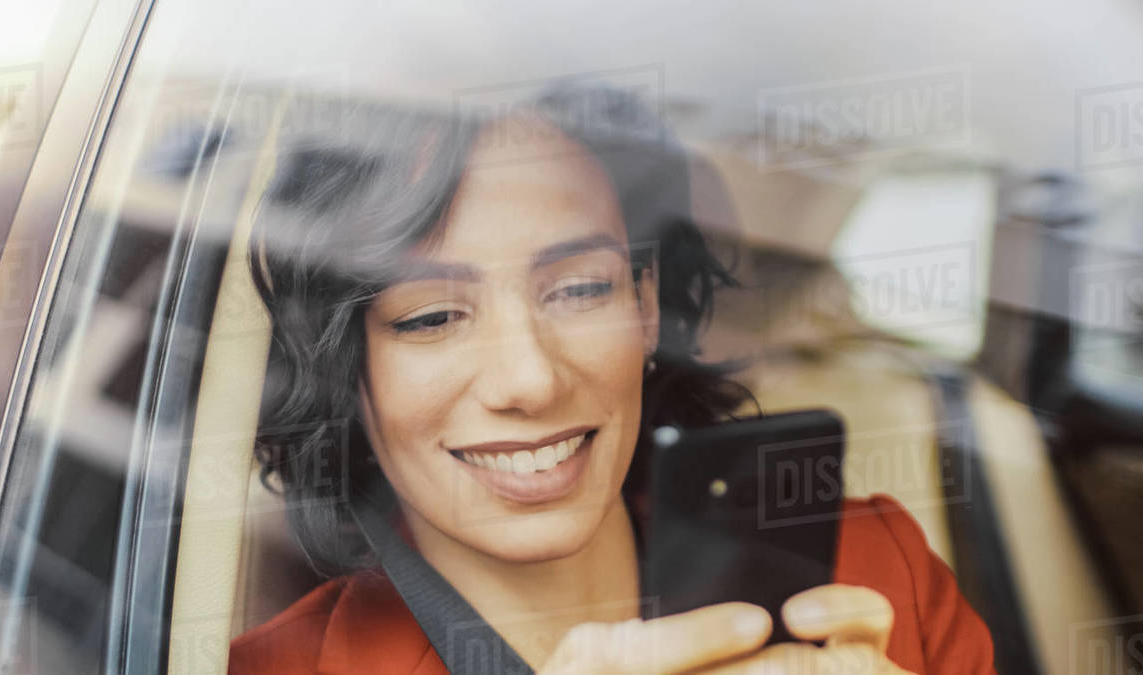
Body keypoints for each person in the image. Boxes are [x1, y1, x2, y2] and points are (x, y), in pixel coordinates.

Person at [228, 90, 995, 674]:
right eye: (431, 317)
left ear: (648, 303)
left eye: (579, 291)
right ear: (346, 366)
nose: (529, 379)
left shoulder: (884, 577)